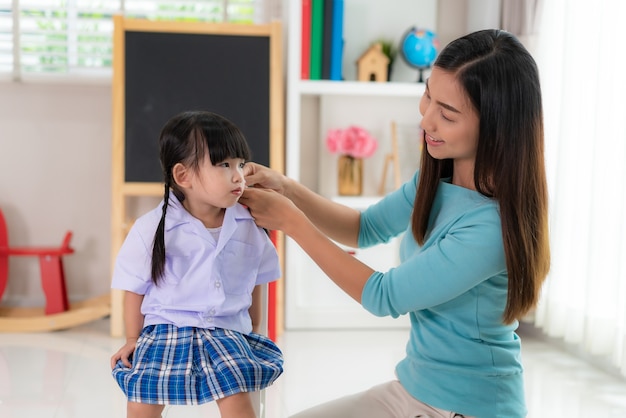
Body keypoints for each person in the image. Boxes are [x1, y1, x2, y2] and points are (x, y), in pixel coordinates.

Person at [240, 29, 550, 418]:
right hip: (413, 392)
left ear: (496, 126)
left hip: (468, 408)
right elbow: (364, 228)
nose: (426, 119)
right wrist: (288, 189)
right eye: (428, 97)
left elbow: (384, 296)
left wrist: (292, 223)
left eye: (447, 113)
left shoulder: (490, 229)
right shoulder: (436, 182)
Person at [110, 110, 283, 418]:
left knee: (238, 400)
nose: (238, 176)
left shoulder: (250, 225)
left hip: (226, 329)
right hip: (166, 328)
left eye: (240, 164)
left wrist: (256, 333)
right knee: (141, 401)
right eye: (224, 165)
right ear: (182, 176)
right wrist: (132, 339)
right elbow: (133, 288)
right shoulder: (152, 227)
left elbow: (258, 280)